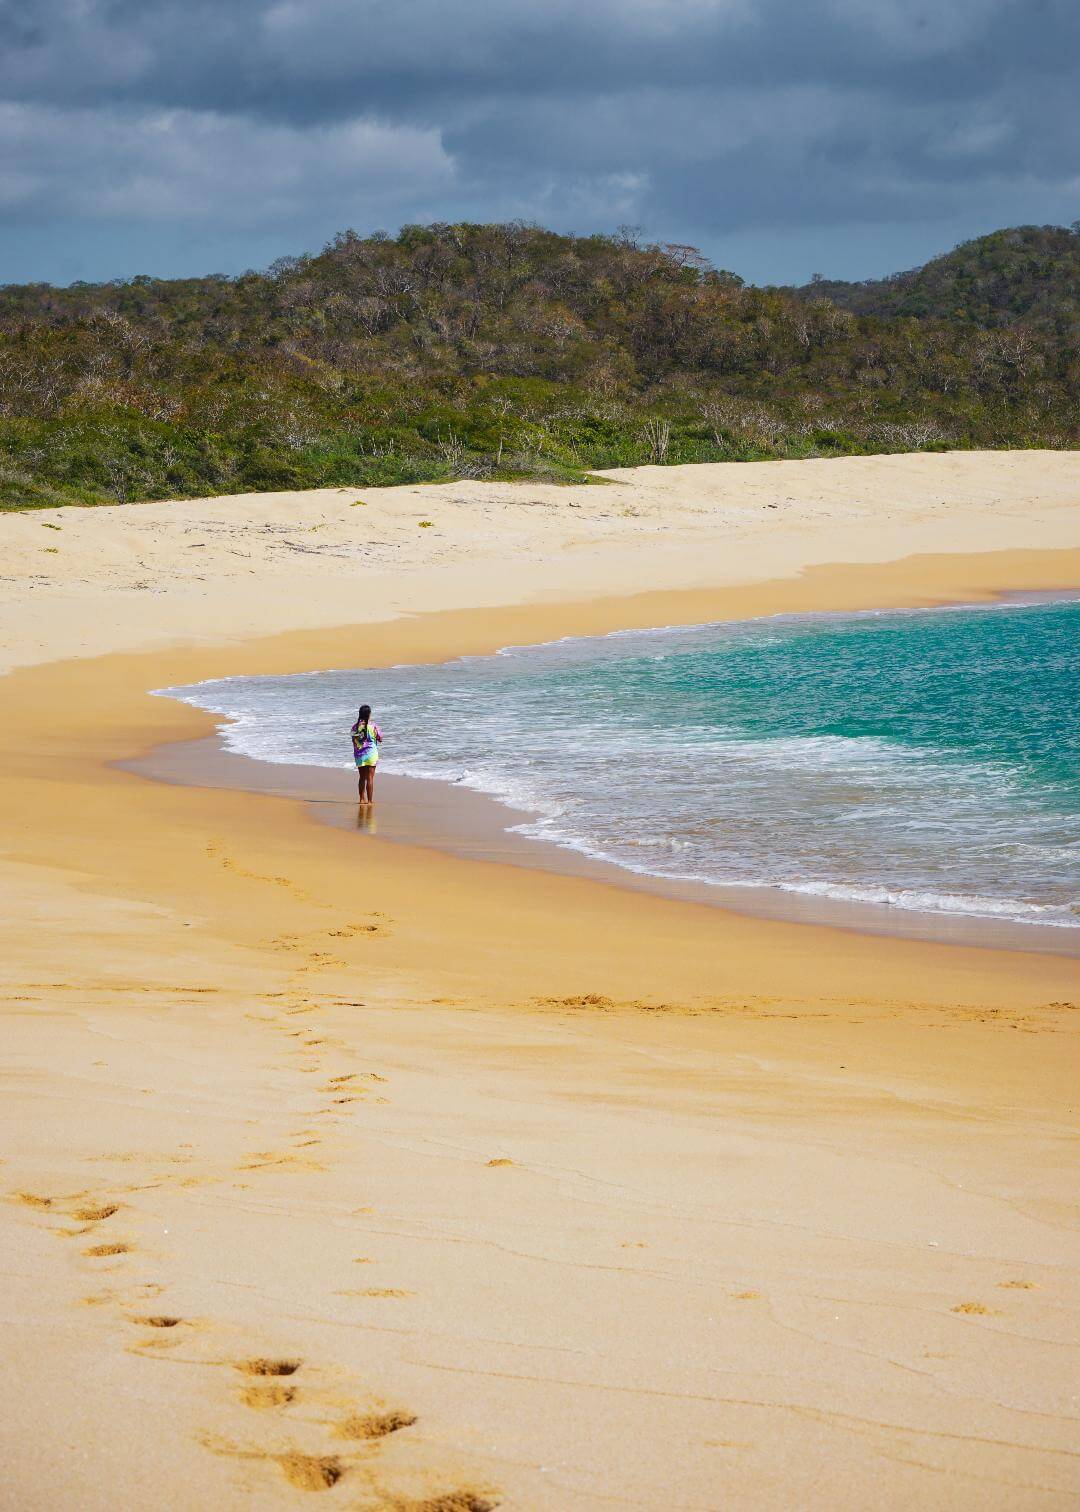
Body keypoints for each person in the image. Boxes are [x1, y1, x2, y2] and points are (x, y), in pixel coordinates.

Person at [351, 704, 382, 804]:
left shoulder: (355, 727)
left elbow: (353, 741)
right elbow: (380, 738)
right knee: (370, 778)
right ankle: (370, 801)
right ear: (369, 714)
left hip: (360, 755)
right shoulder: (373, 726)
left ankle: (361, 799)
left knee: (361, 778)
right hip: (371, 754)